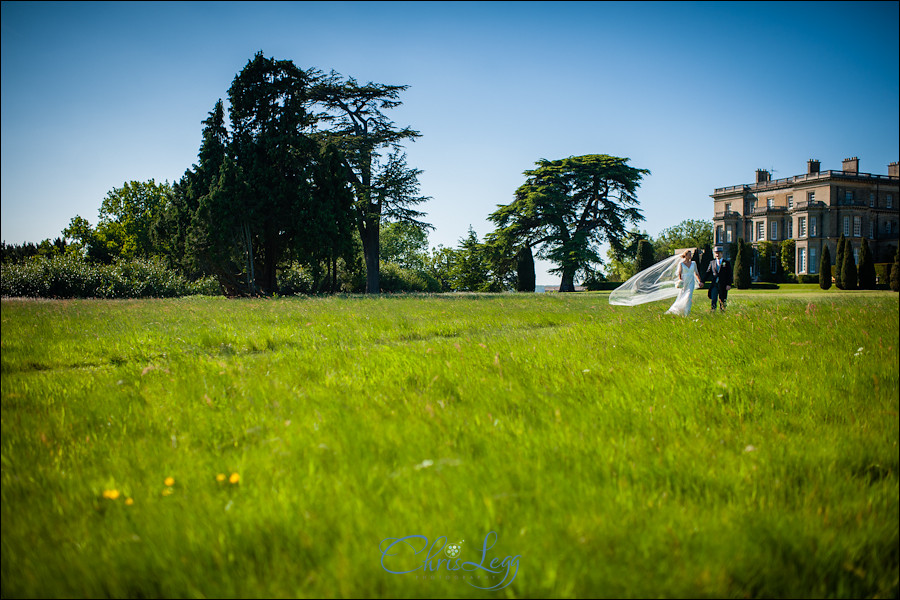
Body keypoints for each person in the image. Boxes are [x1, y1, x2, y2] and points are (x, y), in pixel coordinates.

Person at [665, 250, 703, 316]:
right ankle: (679, 309)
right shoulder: (681, 264)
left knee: (689, 296)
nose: (690, 256)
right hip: (684, 281)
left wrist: (700, 281)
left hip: (691, 281)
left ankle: (686, 312)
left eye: (691, 254)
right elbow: (679, 273)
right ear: (685, 255)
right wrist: (680, 281)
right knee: (682, 295)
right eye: (689, 255)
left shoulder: (693, 263)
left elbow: (696, 273)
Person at [706, 246, 733, 311]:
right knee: (714, 299)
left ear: (722, 254)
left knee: (722, 300)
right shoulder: (712, 262)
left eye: (719, 253)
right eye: (716, 253)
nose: (717, 254)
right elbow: (708, 273)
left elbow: (729, 274)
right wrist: (702, 281)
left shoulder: (726, 263)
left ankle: (722, 312)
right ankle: (713, 312)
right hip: (714, 284)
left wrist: (729, 284)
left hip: (723, 284)